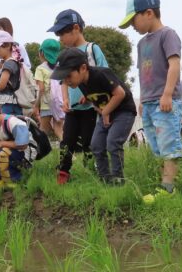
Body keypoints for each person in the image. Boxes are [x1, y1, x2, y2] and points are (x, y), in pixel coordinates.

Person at [119, 0, 182, 202]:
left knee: (168, 144)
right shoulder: (141, 44)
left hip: (165, 101)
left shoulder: (168, 35)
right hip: (148, 102)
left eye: (133, 21)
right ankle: (163, 184)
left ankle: (169, 188)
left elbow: (174, 65)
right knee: (155, 145)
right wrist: (142, 100)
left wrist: (166, 94)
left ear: (148, 13)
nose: (133, 27)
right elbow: (142, 74)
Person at [52, 48, 137, 184]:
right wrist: (89, 100)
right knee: (96, 145)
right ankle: (105, 179)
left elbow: (120, 94)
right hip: (106, 112)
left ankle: (118, 180)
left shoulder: (101, 74)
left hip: (124, 111)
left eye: (69, 76)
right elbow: (98, 97)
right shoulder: (81, 84)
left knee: (112, 143)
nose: (66, 81)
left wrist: (105, 111)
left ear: (83, 68)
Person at [47, 9, 108, 185]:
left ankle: (91, 171)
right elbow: (63, 81)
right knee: (67, 141)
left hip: (91, 107)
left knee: (88, 141)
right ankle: (63, 172)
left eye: (62, 34)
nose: (60, 39)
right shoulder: (65, 55)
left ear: (75, 28)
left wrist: (90, 96)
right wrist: (65, 99)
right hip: (72, 108)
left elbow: (104, 74)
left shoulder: (92, 49)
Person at [0, 17, 32, 93]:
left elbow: (27, 68)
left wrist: (14, 66)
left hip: (18, 91)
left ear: (8, 29)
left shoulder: (19, 47)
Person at [33, 39, 64, 139]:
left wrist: (36, 106)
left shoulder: (40, 68)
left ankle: (41, 153)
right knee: (59, 130)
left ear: (42, 52)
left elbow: (41, 89)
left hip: (46, 104)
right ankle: (69, 152)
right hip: (59, 103)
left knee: (42, 132)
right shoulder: (60, 67)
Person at [0, 31, 23, 116]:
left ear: (8, 46)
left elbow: (2, 84)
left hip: (7, 101)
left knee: (7, 125)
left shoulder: (8, 63)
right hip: (15, 100)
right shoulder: (14, 62)